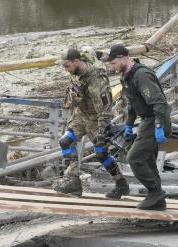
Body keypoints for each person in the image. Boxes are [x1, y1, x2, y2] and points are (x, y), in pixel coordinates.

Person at [54, 47, 129, 199]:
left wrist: (103, 130)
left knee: (101, 153)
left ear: (76, 62)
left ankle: (121, 183)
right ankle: (72, 181)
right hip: (81, 115)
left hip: (96, 119)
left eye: (67, 66)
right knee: (66, 141)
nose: (66, 69)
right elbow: (91, 51)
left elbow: (105, 108)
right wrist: (102, 54)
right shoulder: (81, 61)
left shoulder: (96, 79)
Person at [105, 44, 171, 211]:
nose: (111, 67)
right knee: (147, 159)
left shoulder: (141, 75)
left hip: (155, 119)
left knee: (135, 157)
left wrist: (159, 126)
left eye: (113, 63)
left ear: (123, 58)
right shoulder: (127, 76)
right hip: (146, 121)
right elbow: (134, 103)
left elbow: (160, 103)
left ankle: (155, 193)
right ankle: (157, 197)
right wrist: (128, 125)